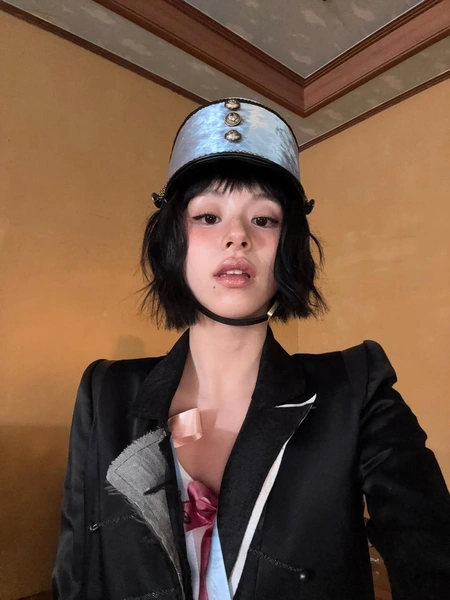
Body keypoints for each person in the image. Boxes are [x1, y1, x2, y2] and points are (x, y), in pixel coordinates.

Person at [52, 98, 450, 600]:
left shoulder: (355, 389)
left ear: (290, 246)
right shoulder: (105, 390)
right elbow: (77, 571)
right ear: (174, 241)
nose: (237, 237)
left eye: (264, 219)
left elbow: (429, 546)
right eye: (208, 216)